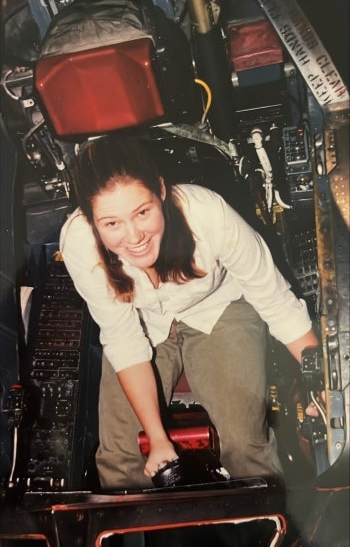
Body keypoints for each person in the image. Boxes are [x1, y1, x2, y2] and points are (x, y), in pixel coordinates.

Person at [59, 133, 318, 490]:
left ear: (161, 192)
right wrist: (157, 439)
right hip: (142, 323)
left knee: (246, 446)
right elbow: (124, 341)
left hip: (220, 307)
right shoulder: (78, 242)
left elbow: (277, 303)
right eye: (112, 224)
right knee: (120, 457)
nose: (133, 236)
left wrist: (322, 385)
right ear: (90, 220)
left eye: (142, 212)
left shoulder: (209, 214)